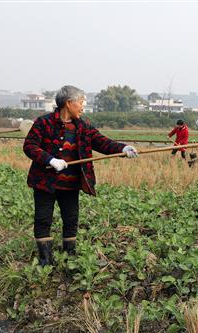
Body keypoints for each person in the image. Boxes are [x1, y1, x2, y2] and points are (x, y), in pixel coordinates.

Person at [23, 85, 139, 266]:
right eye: (81, 102)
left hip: (71, 184)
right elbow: (30, 146)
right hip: (45, 182)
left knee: (71, 218)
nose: (83, 106)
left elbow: (102, 142)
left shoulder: (83, 127)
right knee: (43, 218)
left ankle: (70, 257)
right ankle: (45, 260)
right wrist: (50, 160)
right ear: (69, 103)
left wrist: (122, 148)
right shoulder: (43, 123)